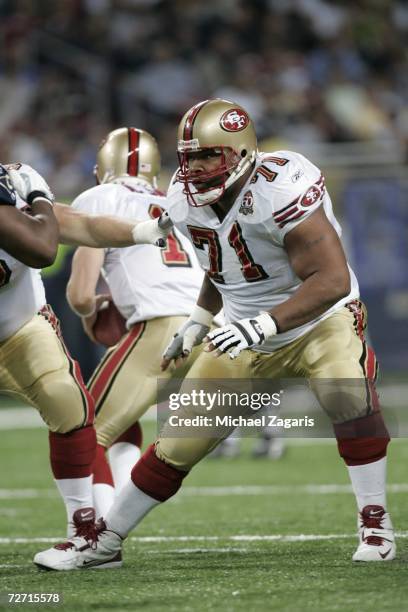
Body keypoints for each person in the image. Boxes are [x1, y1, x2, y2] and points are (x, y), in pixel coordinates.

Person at [34, 98, 394, 570]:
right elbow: (222, 266)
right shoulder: (184, 198)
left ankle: (375, 522)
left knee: (345, 393)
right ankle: (105, 542)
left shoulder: (282, 185)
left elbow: (332, 280)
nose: (197, 168)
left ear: (242, 152)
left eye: (209, 156)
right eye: (189, 157)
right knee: (178, 442)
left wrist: (262, 322)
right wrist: (198, 322)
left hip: (318, 318)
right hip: (240, 330)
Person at [0, 161, 171, 540]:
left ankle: (83, 526)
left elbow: (85, 226)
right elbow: (44, 249)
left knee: (68, 402)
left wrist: (142, 230)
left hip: (18, 329)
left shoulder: (12, 203)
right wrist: (41, 198)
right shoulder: (29, 204)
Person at [65, 127, 206, 516]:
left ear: (101, 170)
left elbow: (79, 294)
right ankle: (117, 516)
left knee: (81, 432)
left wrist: (93, 312)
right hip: (213, 330)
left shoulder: (99, 197)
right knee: (121, 419)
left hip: (162, 329)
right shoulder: (175, 203)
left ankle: (96, 536)